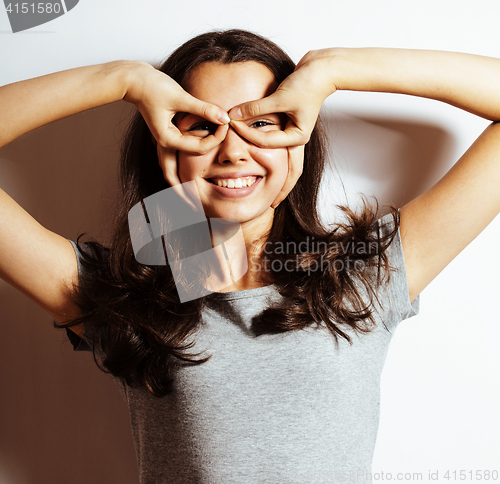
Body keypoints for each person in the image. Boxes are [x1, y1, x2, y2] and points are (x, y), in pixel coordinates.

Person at [0, 29, 498, 483]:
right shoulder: (119, 296)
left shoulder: (365, 275)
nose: (234, 151)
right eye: (200, 126)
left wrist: (331, 70)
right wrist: (124, 80)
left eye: (262, 122)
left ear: (298, 137)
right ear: (162, 142)